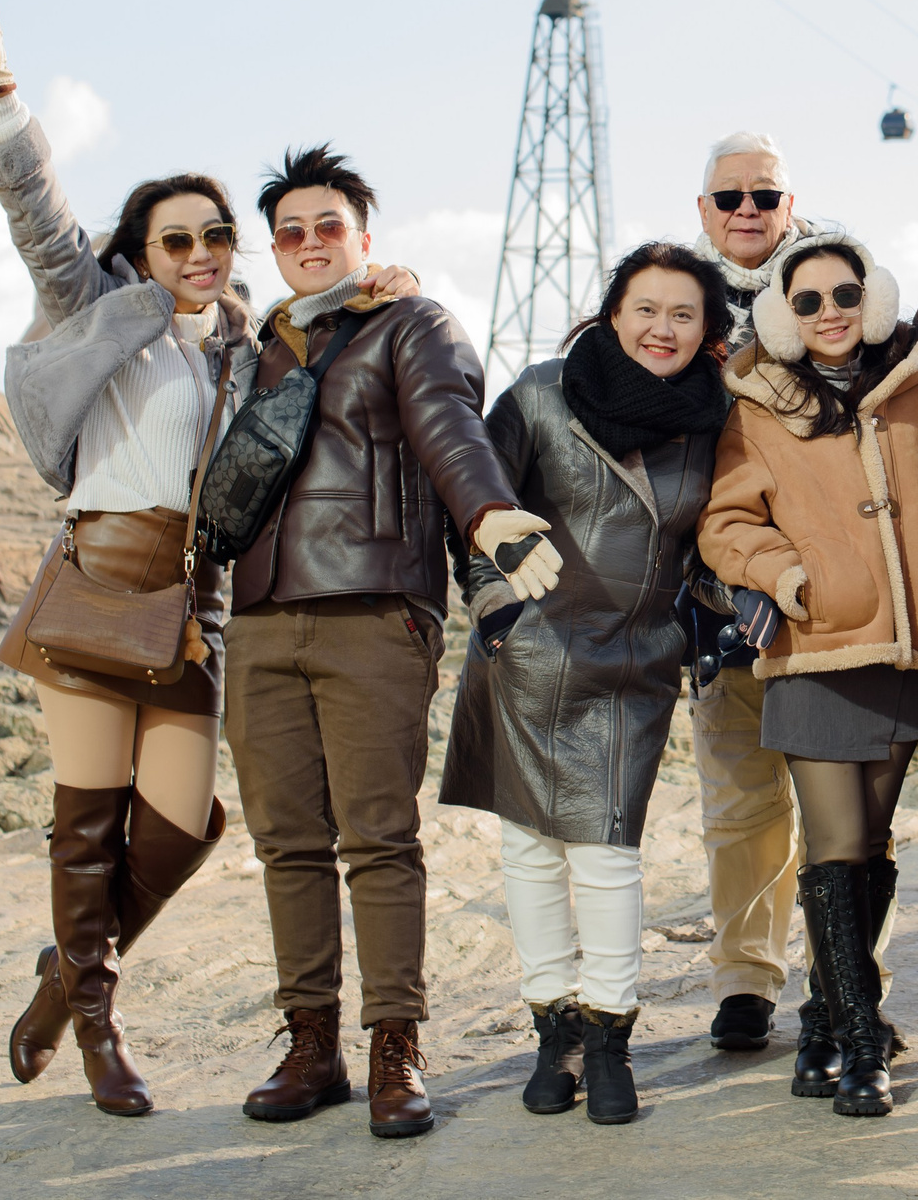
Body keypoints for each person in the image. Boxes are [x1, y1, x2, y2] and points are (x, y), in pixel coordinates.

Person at [0, 0, 424, 1117]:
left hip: (197, 607)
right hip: (99, 583)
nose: (202, 251)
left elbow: (333, 326)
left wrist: (381, 282)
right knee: (89, 821)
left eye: (217, 235)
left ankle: (65, 972)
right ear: (142, 250)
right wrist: (1, 97)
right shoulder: (99, 305)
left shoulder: (252, 344)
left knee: (182, 828)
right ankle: (99, 1029)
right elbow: (36, 214)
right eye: (179, 238)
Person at [220, 144, 535, 1140]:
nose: (311, 244)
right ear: (274, 249)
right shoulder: (255, 346)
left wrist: (491, 515)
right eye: (291, 232)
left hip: (374, 609)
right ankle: (309, 1041)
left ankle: (394, 1043)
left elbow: (449, 428)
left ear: (365, 237)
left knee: (379, 841)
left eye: (330, 227)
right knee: (287, 845)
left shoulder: (413, 323)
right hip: (262, 616)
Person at [441, 242, 736, 1127]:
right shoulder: (539, 392)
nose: (662, 327)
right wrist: (496, 607)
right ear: (614, 313)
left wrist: (712, 617)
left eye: (683, 313)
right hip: (527, 650)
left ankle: (610, 1037)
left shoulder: (718, 415)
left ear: (708, 330)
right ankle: (554, 1030)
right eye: (646, 307)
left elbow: (716, 533)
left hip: (633, 659)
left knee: (607, 853)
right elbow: (476, 509)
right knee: (530, 848)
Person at [699, 232, 918, 1117]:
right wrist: (787, 576)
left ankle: (822, 1018)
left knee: (871, 844)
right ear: (783, 316)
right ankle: (859, 1042)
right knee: (838, 841)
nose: (829, 312)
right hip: (815, 649)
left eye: (843, 293)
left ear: (872, 296)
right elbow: (725, 524)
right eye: (805, 300)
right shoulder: (758, 406)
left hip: (910, 653)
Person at [681, 131, 822, 1056]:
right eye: (728, 196)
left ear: (790, 206)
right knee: (740, 804)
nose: (745, 210)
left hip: (822, 598)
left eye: (763, 196)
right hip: (714, 595)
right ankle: (744, 977)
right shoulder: (670, 304)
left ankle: (847, 978)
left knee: (844, 805)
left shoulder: (831, 294)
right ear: (702, 212)